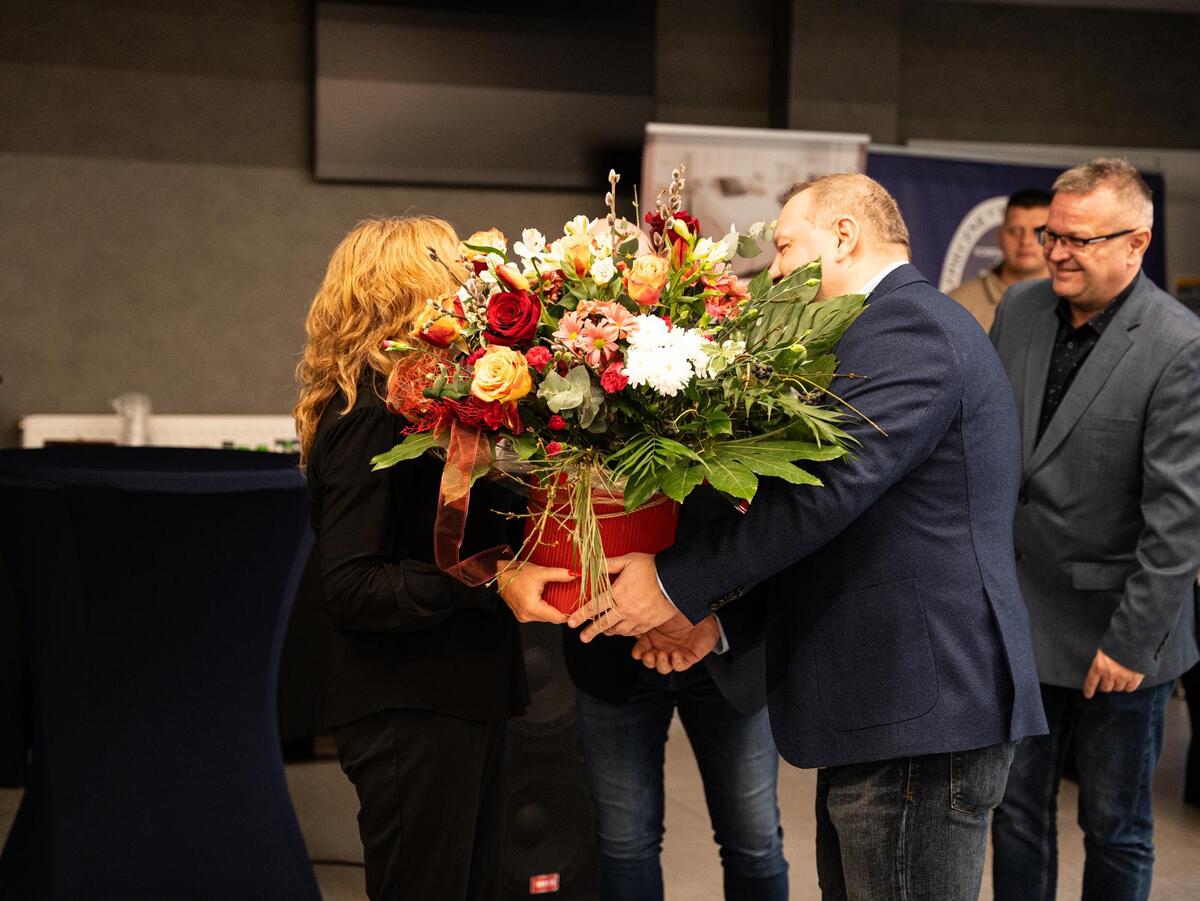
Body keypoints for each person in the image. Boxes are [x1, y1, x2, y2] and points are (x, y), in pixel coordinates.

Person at [569, 173, 1047, 900]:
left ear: (844, 236)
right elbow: (849, 531)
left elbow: (824, 496)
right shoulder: (883, 328)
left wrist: (672, 583)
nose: (777, 270)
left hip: (919, 709)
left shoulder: (910, 329)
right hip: (889, 707)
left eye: (788, 246)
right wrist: (720, 623)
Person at [295, 216, 571, 901]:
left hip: (457, 691)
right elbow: (352, 585)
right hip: (407, 704)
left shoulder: (427, 405)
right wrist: (491, 582)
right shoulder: (367, 414)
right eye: (453, 273)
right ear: (407, 291)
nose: (471, 290)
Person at [987, 158, 1200, 901]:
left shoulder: (1179, 344)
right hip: (1020, 621)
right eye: (1052, 235)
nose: (1054, 252)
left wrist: (1131, 642)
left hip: (1119, 637)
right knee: (1015, 816)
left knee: (1115, 826)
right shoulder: (1020, 309)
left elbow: (1177, 518)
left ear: (1137, 243)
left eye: (1078, 240)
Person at [563, 486, 788, 901]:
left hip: (732, 645)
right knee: (624, 843)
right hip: (610, 642)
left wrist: (714, 621)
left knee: (754, 842)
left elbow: (779, 523)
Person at [950, 187, 1051, 331]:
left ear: (1054, 237)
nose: (1026, 241)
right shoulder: (958, 304)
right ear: (1000, 237)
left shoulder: (1072, 301)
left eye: (1038, 232)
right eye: (1015, 231)